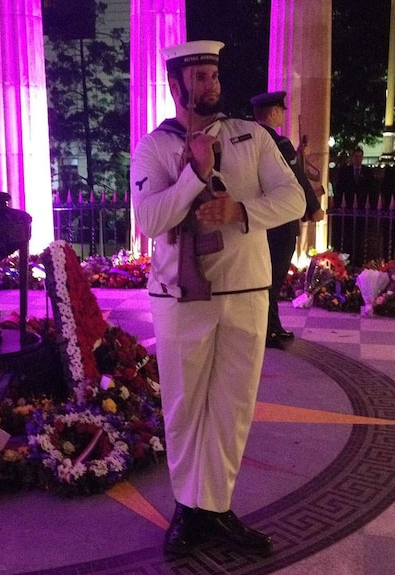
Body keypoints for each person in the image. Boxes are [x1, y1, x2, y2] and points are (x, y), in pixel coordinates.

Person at [130, 40, 305, 557]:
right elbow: (149, 220)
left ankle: (217, 509)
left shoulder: (253, 136)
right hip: (180, 295)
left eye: (213, 74)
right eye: (200, 76)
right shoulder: (154, 147)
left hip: (247, 289)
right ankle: (188, 510)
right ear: (176, 85)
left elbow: (293, 198)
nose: (211, 84)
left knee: (233, 406)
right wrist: (193, 176)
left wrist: (240, 211)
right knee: (184, 405)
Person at [250, 90, 320, 349]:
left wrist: (300, 151)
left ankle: (270, 326)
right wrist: (314, 208)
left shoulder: (250, 142)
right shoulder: (278, 143)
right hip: (280, 225)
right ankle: (269, 329)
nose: (283, 114)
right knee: (273, 279)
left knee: (265, 277)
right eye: (281, 110)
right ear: (274, 113)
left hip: (261, 224)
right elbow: (297, 178)